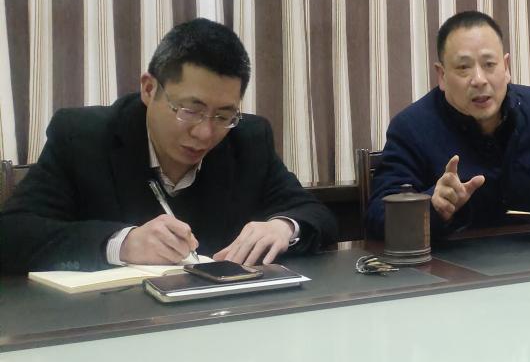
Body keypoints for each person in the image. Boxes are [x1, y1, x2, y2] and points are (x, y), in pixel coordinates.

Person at [0, 18, 337, 273]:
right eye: (190, 110)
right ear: (149, 89)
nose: (205, 133)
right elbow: (13, 234)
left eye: (223, 115)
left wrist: (284, 227)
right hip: (114, 326)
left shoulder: (248, 139)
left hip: (221, 324)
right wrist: (121, 244)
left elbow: (316, 215)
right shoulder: (83, 137)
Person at [366, 10, 530, 239]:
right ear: (442, 75)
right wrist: (433, 206)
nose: (479, 80)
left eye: (489, 64)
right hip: (454, 261)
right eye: (463, 67)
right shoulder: (411, 128)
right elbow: (378, 215)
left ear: (506, 67)